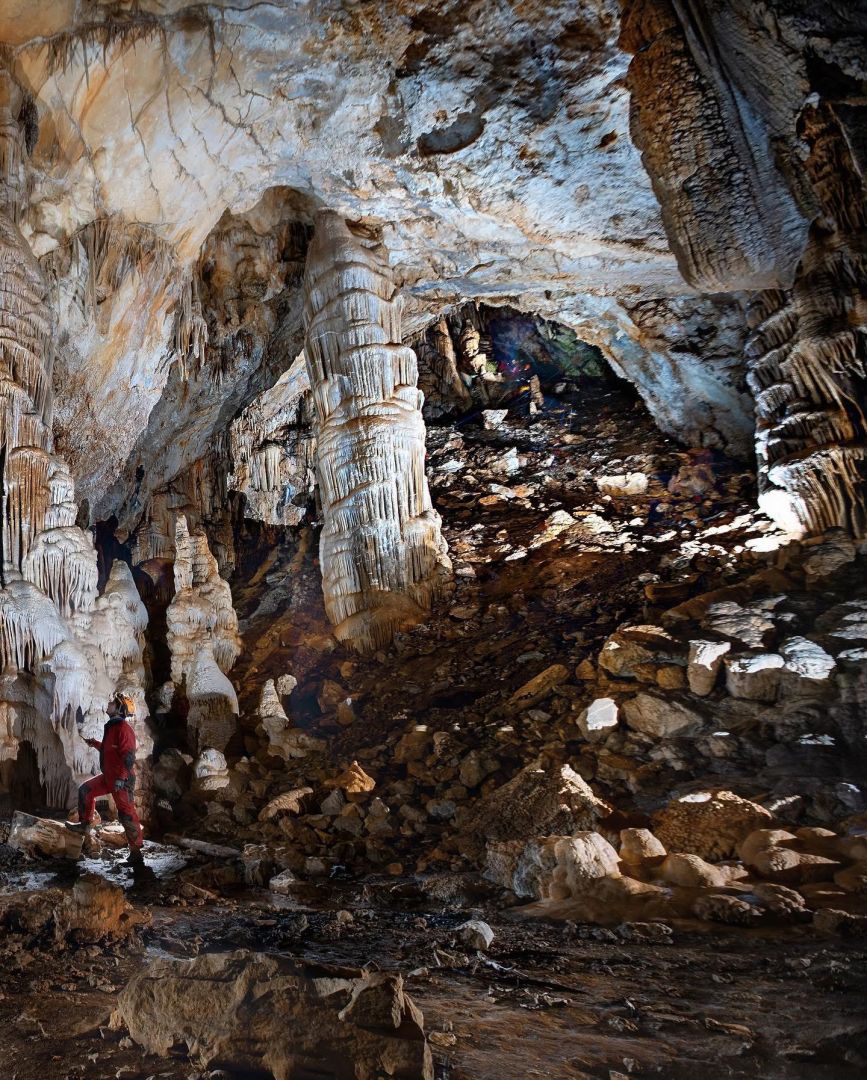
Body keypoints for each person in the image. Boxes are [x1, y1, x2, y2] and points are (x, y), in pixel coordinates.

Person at [67, 692, 144, 866]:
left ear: (119, 709)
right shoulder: (112, 727)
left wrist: (121, 778)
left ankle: (136, 852)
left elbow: (128, 756)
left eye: (112, 703)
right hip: (109, 776)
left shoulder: (123, 728)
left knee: (126, 813)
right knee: (85, 790)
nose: (109, 704)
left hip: (122, 779)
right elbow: (110, 750)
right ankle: (85, 824)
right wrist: (95, 743)